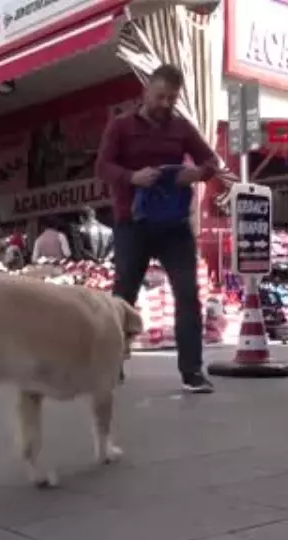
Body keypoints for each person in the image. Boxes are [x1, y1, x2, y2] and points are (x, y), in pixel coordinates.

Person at [96, 64, 220, 393]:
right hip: (132, 224)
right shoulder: (121, 126)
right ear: (146, 92)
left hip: (174, 226)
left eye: (172, 98)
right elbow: (103, 167)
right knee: (123, 297)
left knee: (188, 295)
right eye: (160, 96)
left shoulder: (181, 127)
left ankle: (192, 372)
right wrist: (132, 177)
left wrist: (196, 174)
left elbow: (212, 161)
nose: (165, 103)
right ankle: (111, 366)